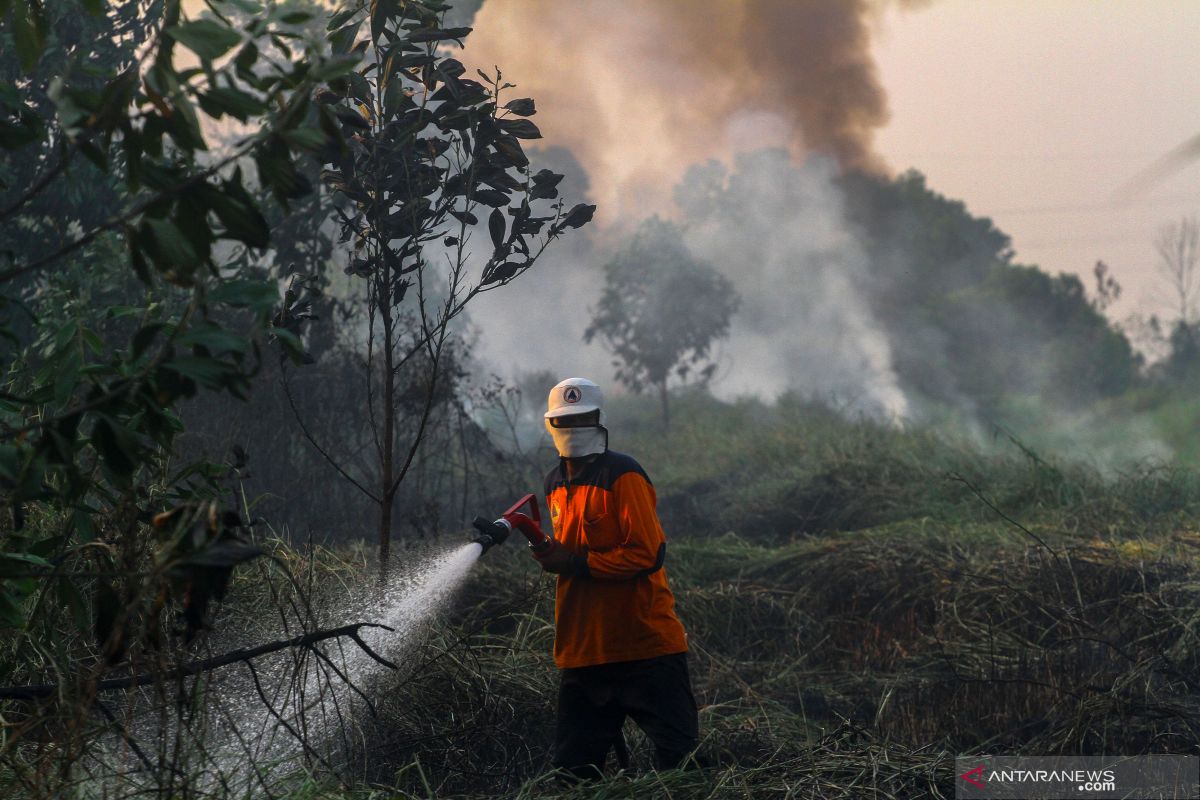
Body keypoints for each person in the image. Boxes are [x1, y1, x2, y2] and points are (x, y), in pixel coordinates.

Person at [529, 376, 699, 780]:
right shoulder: (554, 483)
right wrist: (553, 553)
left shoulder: (624, 475)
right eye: (564, 421)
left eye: (582, 419)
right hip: (584, 653)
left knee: (683, 770)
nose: (573, 429)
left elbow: (647, 553)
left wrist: (574, 564)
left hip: (646, 649)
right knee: (572, 775)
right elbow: (572, 548)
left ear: (599, 419)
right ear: (551, 424)